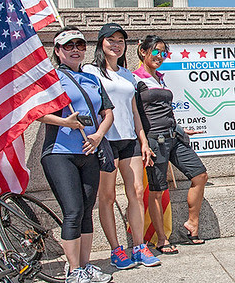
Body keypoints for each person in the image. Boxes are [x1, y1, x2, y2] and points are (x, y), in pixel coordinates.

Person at [38, 27, 113, 283]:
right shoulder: (52, 78)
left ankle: (84, 265)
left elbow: (107, 113)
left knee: (86, 211)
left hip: (89, 152)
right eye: (68, 46)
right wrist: (64, 122)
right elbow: (36, 112)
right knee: (72, 211)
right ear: (58, 51)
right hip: (60, 153)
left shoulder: (92, 78)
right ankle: (73, 272)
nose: (75, 50)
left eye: (79, 45)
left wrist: (98, 136)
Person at [83, 23, 162, 267]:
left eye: (120, 41)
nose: (116, 45)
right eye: (111, 40)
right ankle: (116, 249)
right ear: (101, 43)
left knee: (137, 192)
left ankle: (139, 246)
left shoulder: (128, 75)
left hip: (130, 140)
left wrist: (143, 140)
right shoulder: (90, 71)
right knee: (107, 197)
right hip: (106, 140)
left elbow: (134, 111)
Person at [133, 35, 209, 248]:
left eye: (164, 53)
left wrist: (181, 129)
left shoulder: (160, 78)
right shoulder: (135, 79)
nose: (160, 56)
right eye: (156, 51)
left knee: (200, 175)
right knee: (157, 190)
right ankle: (161, 239)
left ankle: (192, 223)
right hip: (154, 141)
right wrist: (143, 142)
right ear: (143, 51)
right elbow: (135, 115)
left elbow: (166, 112)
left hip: (174, 136)